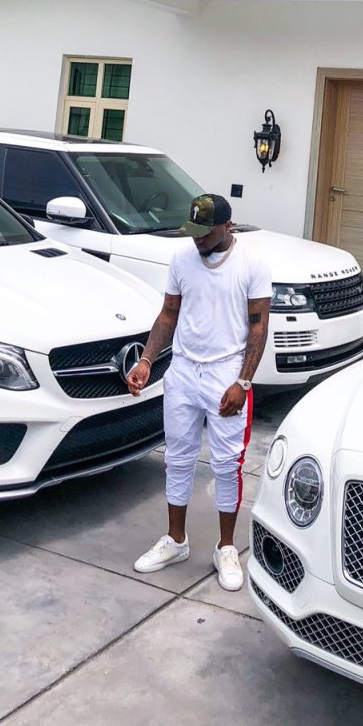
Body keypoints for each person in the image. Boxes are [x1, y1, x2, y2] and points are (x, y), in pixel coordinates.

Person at [127, 193, 271, 591]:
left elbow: (258, 326)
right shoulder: (182, 259)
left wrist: (243, 382)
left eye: (205, 234)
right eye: (193, 233)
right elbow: (169, 313)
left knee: (227, 463)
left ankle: (226, 547)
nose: (198, 241)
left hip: (227, 372)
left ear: (228, 226)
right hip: (184, 371)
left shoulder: (252, 264)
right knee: (178, 457)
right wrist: (146, 360)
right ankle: (176, 540)